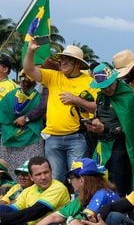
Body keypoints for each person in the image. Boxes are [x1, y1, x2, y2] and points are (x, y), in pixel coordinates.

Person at [22, 41, 92, 181]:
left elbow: (97, 107)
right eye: (62, 59)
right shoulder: (53, 76)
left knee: (79, 179)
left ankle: (78, 203)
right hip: (52, 138)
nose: (63, 62)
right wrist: (30, 51)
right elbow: (29, 70)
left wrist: (76, 100)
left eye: (68, 60)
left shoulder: (90, 82)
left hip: (77, 138)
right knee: (55, 181)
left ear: (77, 64)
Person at [78, 62, 134, 195]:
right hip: (102, 145)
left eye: (109, 85)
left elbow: (128, 129)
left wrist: (105, 129)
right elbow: (99, 113)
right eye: (103, 87)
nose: (107, 90)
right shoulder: (101, 96)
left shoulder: (127, 95)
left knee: (118, 184)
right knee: (98, 182)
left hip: (121, 146)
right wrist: (93, 123)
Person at [0, 155, 70, 225]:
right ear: (32, 177)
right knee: (2, 209)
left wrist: (2, 219)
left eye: (46, 172)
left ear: (51, 172)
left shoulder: (58, 188)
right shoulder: (29, 190)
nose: (43, 177)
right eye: (38, 174)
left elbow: (35, 212)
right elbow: (12, 210)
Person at [0, 63, 45, 165]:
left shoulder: (10, 94)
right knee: (31, 169)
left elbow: (2, 115)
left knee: (10, 171)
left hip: (10, 137)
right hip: (31, 139)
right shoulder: (39, 97)